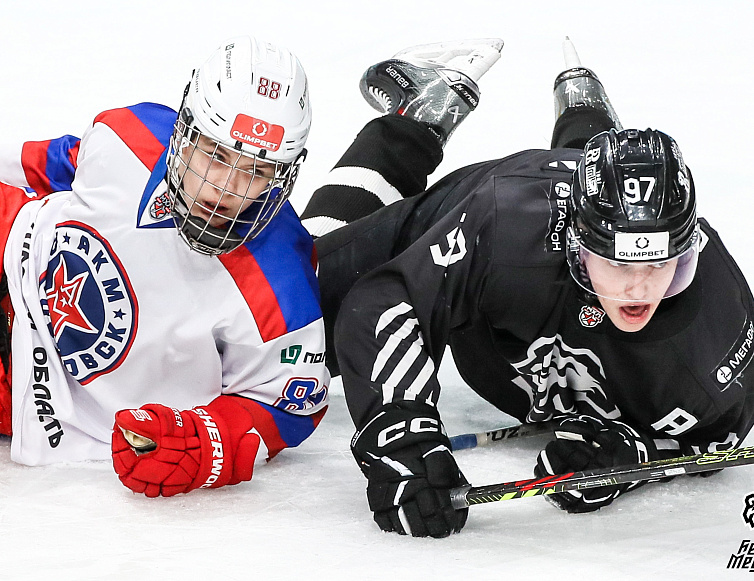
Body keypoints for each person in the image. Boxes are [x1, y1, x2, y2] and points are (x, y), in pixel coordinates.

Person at [302, 38, 754, 537]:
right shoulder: (508, 223)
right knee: (296, 309)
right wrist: (402, 437)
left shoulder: (716, 333)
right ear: (577, 243)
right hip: (491, 243)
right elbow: (386, 302)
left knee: (596, 182)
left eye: (659, 263)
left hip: (536, 313)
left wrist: (631, 451)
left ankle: (588, 118)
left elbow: (715, 444)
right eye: (616, 262)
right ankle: (418, 115)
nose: (637, 287)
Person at [0, 36, 329, 498]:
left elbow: (289, 405)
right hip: (11, 254)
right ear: (185, 131)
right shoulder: (132, 135)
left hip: (37, 399)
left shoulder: (283, 293)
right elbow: (51, 166)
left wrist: (206, 442)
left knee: (352, 264)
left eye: (257, 171)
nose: (227, 188)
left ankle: (408, 133)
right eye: (216, 156)